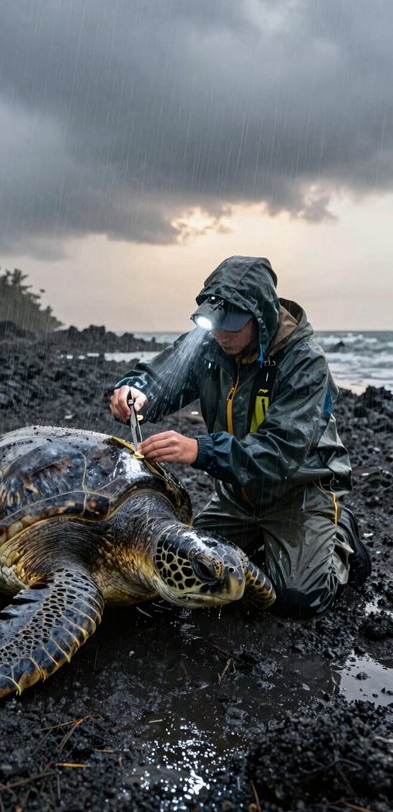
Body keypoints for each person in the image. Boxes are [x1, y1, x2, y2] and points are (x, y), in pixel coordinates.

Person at [110, 255, 371, 618]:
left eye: (233, 327)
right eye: (215, 325)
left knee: (297, 598)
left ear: (261, 318)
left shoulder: (304, 362)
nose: (222, 335)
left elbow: (279, 453)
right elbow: (160, 378)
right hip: (238, 495)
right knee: (189, 567)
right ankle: (271, 540)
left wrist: (198, 450)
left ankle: (339, 535)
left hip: (299, 490)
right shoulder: (209, 345)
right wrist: (135, 391)